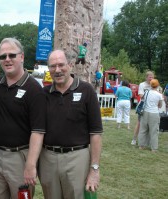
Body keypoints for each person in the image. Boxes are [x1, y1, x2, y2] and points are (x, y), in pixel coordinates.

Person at [38, 49, 103, 199]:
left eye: (61, 65)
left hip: (77, 158)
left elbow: (96, 133)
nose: (57, 70)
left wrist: (94, 169)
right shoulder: (43, 94)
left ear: (71, 65)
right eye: (52, 66)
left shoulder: (87, 91)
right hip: (48, 158)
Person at [0, 38, 46, 199]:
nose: (7, 59)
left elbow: (38, 130)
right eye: (3, 56)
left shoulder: (34, 88)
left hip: (20, 157)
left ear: (21, 57)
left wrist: (30, 164)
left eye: (12, 55)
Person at [138, 79, 163, 152]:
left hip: (145, 112)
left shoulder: (146, 92)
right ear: (157, 85)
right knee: (154, 131)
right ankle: (154, 148)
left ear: (151, 85)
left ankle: (141, 145)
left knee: (143, 129)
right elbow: (160, 105)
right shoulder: (159, 95)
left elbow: (143, 99)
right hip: (154, 113)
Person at [131, 71, 154, 145]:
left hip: (151, 106)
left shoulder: (154, 85)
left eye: (152, 77)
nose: (151, 78)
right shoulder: (142, 84)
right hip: (143, 105)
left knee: (150, 124)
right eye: (150, 77)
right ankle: (134, 139)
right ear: (146, 77)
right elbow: (140, 95)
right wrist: (150, 95)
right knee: (139, 123)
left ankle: (147, 141)